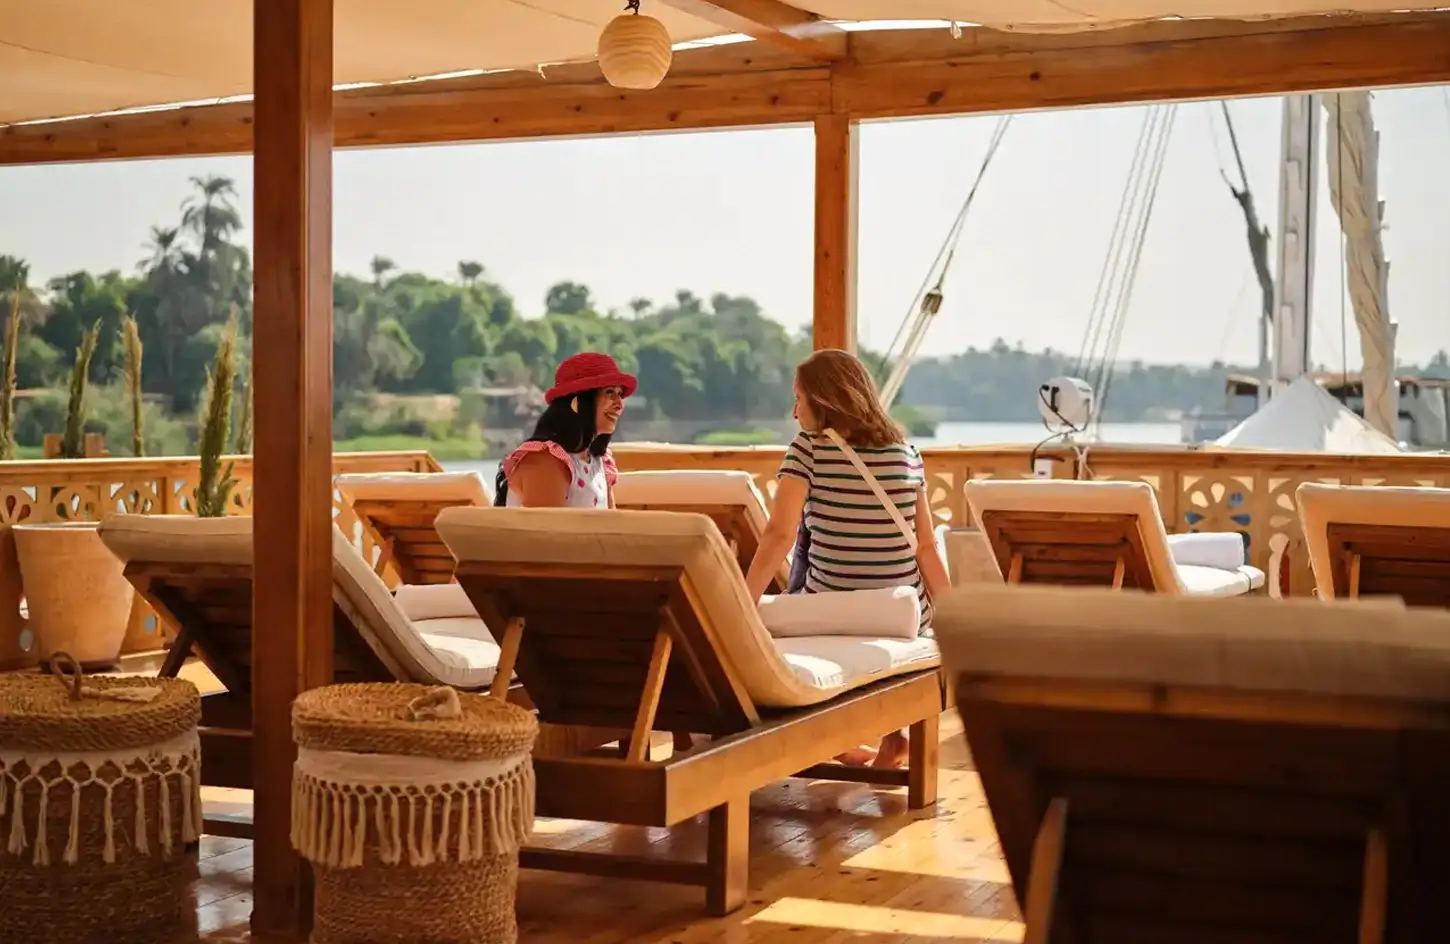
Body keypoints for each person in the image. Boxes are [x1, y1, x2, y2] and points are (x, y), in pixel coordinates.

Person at [744, 349, 951, 769]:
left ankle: (829, 737)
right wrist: (955, 614)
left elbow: (780, 534)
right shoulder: (907, 453)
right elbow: (926, 548)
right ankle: (893, 739)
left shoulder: (808, 448)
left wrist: (742, 601)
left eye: (799, 398)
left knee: (787, 604)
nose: (794, 411)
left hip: (829, 607)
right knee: (890, 586)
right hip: (903, 614)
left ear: (822, 399)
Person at [494, 352, 635, 508]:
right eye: (609, 392)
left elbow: (612, 526)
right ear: (578, 401)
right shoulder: (544, 461)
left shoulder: (599, 461)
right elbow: (550, 531)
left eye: (620, 394)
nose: (620, 404)